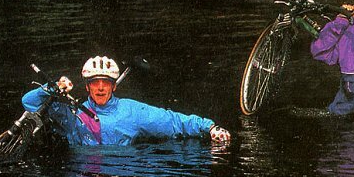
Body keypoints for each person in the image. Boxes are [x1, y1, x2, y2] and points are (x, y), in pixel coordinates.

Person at [22, 56, 231, 145]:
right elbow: (29, 103)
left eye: (106, 82)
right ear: (87, 86)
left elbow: (172, 121)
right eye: (95, 83)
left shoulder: (131, 111)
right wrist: (52, 88)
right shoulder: (73, 114)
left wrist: (209, 127)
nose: (101, 87)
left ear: (114, 85)